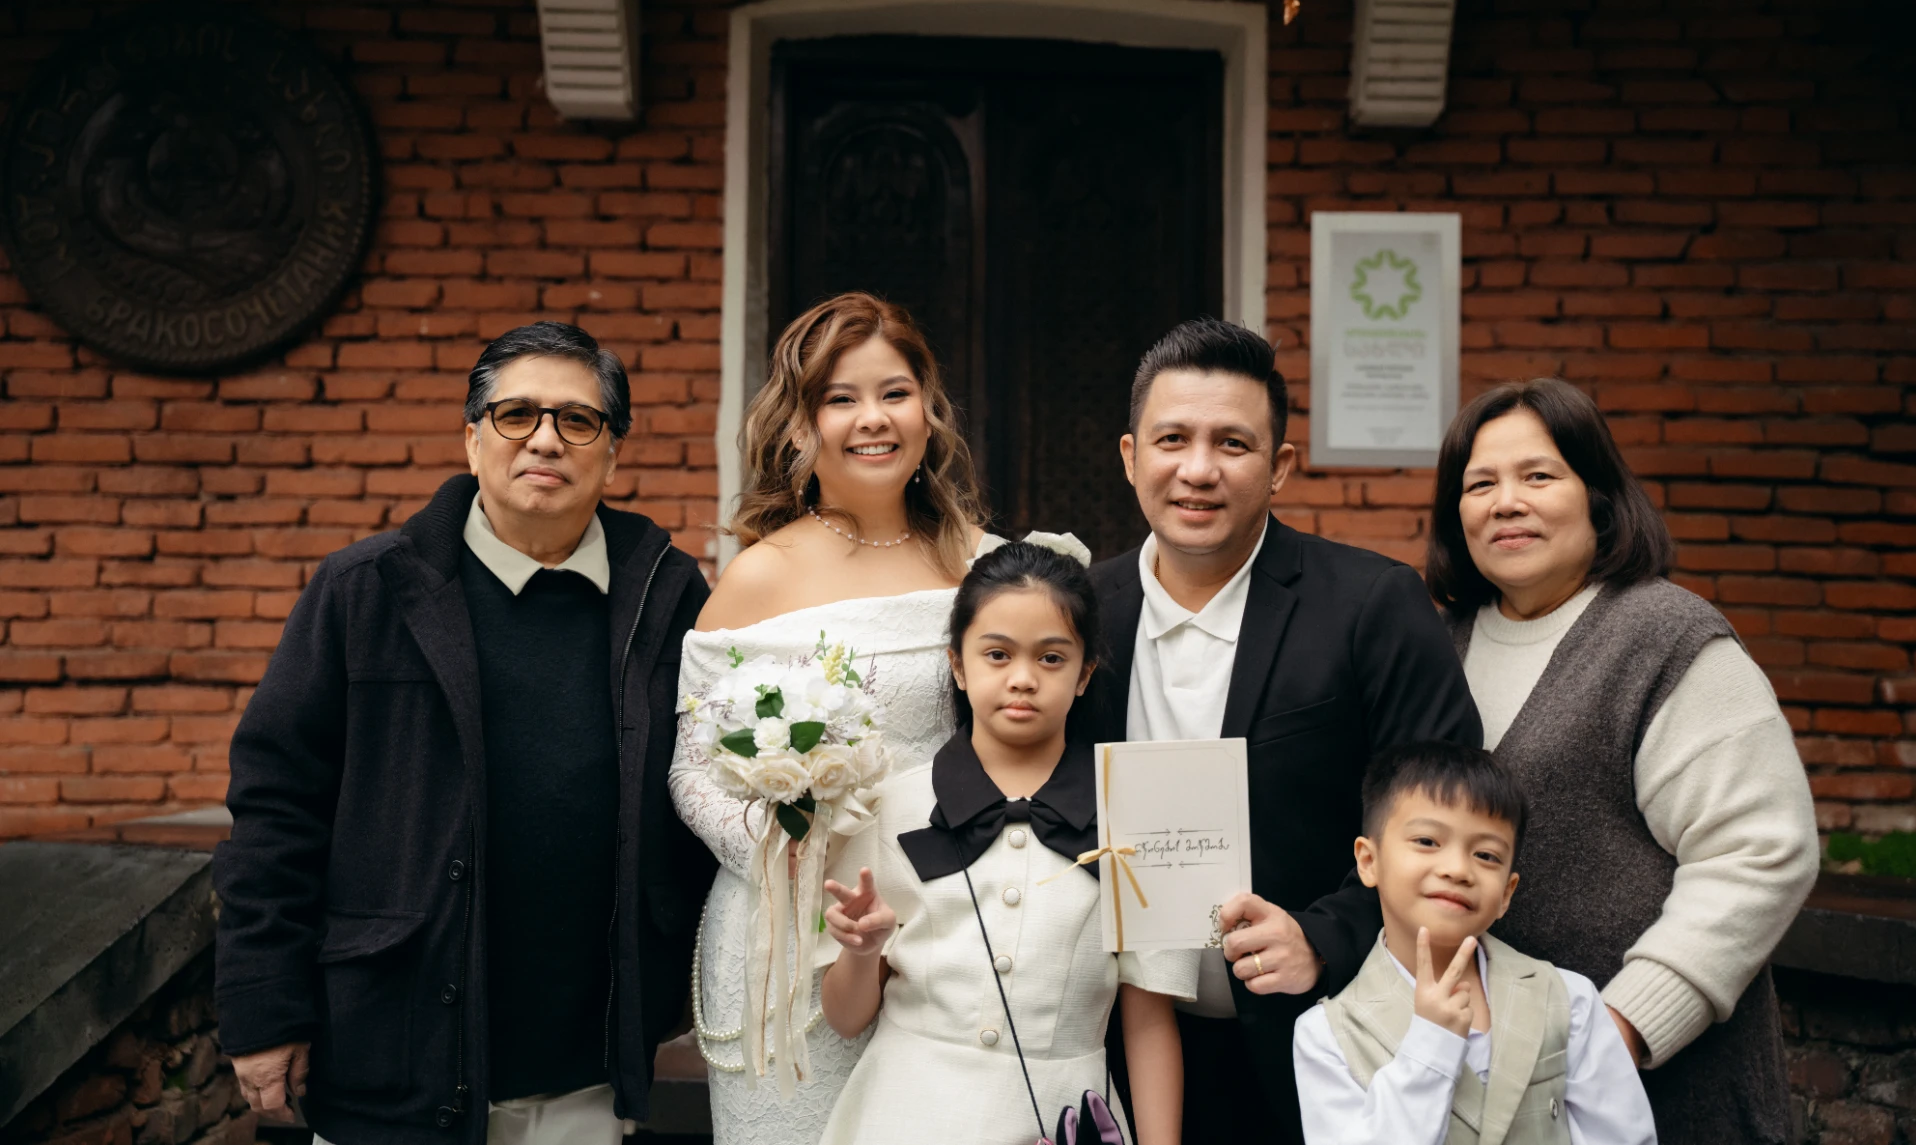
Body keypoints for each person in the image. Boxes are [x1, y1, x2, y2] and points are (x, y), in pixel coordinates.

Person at [214, 322, 713, 1145]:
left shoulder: (667, 597)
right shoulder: (364, 592)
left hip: (588, 1063)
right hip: (394, 1044)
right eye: (516, 414)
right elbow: (277, 808)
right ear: (473, 439)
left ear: (612, 453)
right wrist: (264, 1005)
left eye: (578, 420)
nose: (546, 438)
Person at [1080, 318, 1484, 1142]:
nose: (1198, 469)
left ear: (1280, 468)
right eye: (1172, 439)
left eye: (1232, 442)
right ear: (1130, 457)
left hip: (1315, 1051)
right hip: (1111, 1055)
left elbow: (1451, 824)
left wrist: (1324, 937)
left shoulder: (1371, 604)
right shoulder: (1079, 614)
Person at [1426, 377, 1818, 1144]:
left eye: (1538, 475)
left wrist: (1625, 1027)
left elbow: (1760, 849)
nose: (1506, 501)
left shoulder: (1661, 638)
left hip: (1666, 1096)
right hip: (1487, 1101)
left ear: (1597, 497)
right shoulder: (1439, 646)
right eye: (1480, 483)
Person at [669, 292, 996, 1145]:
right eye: (841, 398)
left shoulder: (984, 564)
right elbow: (691, 768)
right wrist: (787, 848)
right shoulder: (758, 575)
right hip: (785, 936)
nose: (873, 418)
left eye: (894, 391)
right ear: (803, 422)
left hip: (942, 921)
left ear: (928, 409)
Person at [816, 537, 1195, 1145]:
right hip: (904, 1114)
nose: (1023, 679)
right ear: (959, 665)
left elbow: (1149, 1022)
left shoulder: (1139, 816)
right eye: (997, 655)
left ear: (1084, 673)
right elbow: (844, 1018)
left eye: (1051, 658)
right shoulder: (887, 806)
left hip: (1064, 1118)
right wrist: (862, 952)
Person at [1293, 741, 1657, 1145]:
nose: (1457, 870)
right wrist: (1431, 1044)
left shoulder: (1568, 998)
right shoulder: (1327, 1034)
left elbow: (1624, 1137)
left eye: (1486, 855)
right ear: (1368, 861)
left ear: (1507, 893)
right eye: (1427, 841)